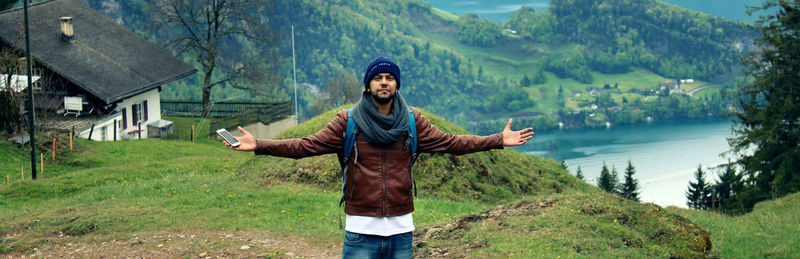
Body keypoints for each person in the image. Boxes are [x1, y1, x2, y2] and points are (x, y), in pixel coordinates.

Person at [224, 56, 533, 258]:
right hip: (361, 231)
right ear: (368, 85)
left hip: (401, 231)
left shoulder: (413, 121)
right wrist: (260, 144)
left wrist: (497, 140)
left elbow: (452, 143)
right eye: (377, 78)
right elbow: (305, 146)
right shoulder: (347, 121)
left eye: (389, 77)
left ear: (396, 84)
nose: (384, 82)